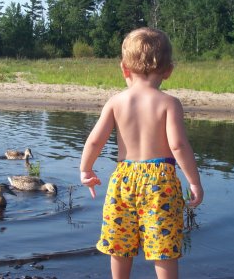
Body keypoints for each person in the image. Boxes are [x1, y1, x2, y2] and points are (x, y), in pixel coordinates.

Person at [79, 27, 204, 279]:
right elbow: (178, 145)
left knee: (120, 242)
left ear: (124, 69)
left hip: (123, 179)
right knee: (163, 246)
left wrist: (86, 169)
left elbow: (94, 141)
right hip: (160, 182)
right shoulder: (169, 103)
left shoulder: (116, 102)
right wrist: (194, 181)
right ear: (168, 70)